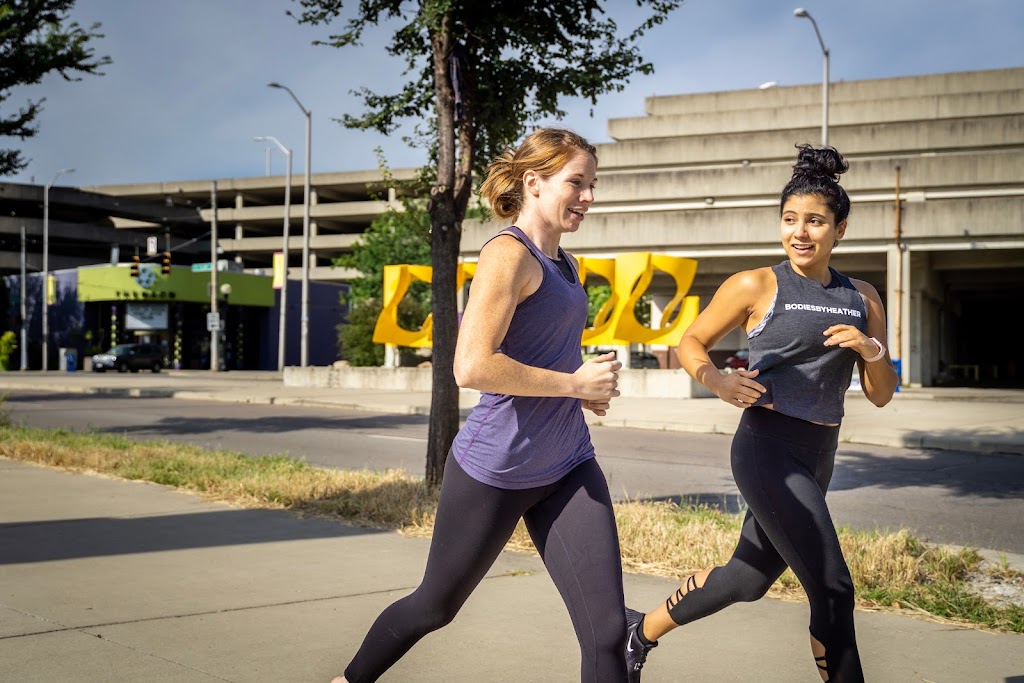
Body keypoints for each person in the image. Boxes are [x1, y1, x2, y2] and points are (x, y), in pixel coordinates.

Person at [335, 127, 628, 682]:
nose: (588, 196)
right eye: (576, 183)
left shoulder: (565, 264)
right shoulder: (506, 256)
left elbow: (542, 350)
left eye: (593, 184)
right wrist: (573, 386)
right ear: (534, 182)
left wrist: (585, 386)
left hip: (567, 463)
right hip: (497, 468)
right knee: (434, 608)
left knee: (607, 630)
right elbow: (471, 367)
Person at [623, 144, 899, 683]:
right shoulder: (757, 284)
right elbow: (692, 341)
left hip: (820, 453)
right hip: (766, 448)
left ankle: (638, 633)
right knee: (833, 587)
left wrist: (872, 351)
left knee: (747, 578)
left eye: (815, 221)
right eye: (790, 219)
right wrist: (718, 381)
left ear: (839, 230)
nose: (800, 231)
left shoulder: (862, 298)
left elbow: (882, 393)